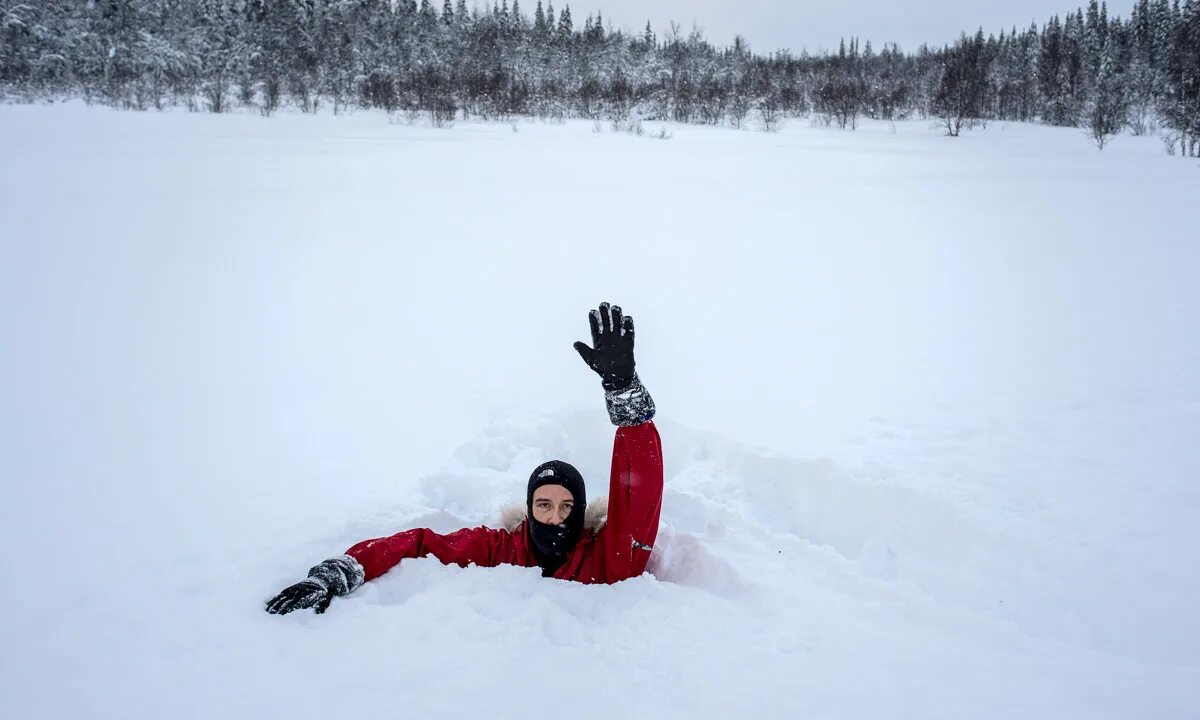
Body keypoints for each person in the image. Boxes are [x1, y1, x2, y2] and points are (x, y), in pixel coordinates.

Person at [266, 302, 662, 615]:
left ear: (579, 512)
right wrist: (338, 572)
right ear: (529, 508)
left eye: (565, 506)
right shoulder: (502, 550)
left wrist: (625, 392)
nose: (555, 517)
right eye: (544, 504)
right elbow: (419, 543)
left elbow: (640, 491)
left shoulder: (611, 555)